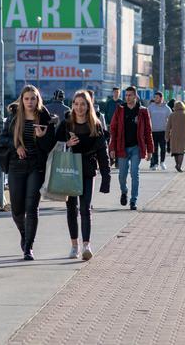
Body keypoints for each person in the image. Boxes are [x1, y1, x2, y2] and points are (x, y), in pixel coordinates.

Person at [0, 85, 56, 260]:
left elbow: (50, 146)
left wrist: (42, 137)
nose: (30, 102)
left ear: (37, 99)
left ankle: (28, 247)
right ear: (21, 100)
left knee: (31, 207)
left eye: (33, 98)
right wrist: (16, 146)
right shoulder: (14, 117)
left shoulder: (45, 117)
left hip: (36, 166)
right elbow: (3, 138)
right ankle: (24, 235)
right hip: (16, 166)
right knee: (17, 207)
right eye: (26, 99)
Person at [56, 91, 111, 261]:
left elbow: (103, 153)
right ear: (72, 105)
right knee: (71, 209)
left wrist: (106, 177)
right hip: (69, 171)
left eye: (83, 104)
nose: (79, 107)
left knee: (85, 207)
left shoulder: (95, 125)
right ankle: (74, 246)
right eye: (76, 103)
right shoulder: (66, 124)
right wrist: (67, 144)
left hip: (87, 170)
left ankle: (86, 245)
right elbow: (51, 145)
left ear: (88, 106)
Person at [109, 86, 154, 210]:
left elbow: (148, 131)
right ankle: (124, 191)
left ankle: (133, 200)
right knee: (122, 175)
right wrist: (112, 148)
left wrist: (150, 150)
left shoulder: (143, 111)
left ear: (135, 96)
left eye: (130, 95)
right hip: (122, 147)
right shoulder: (120, 110)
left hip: (136, 148)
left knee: (135, 173)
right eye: (126, 95)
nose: (127, 97)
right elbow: (113, 129)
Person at [165, 101, 185, 172]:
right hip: (183, 136)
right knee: (181, 151)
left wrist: (167, 136)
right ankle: (179, 165)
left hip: (173, 135)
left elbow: (168, 127)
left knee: (175, 151)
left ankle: (177, 164)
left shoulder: (171, 115)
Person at [147, 91, 171, 170]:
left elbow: (171, 119)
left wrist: (170, 129)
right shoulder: (151, 107)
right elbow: (146, 117)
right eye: (155, 97)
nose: (155, 99)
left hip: (163, 131)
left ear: (161, 98)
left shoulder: (166, 108)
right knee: (155, 148)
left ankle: (162, 162)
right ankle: (155, 163)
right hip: (153, 131)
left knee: (163, 147)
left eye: (157, 97)